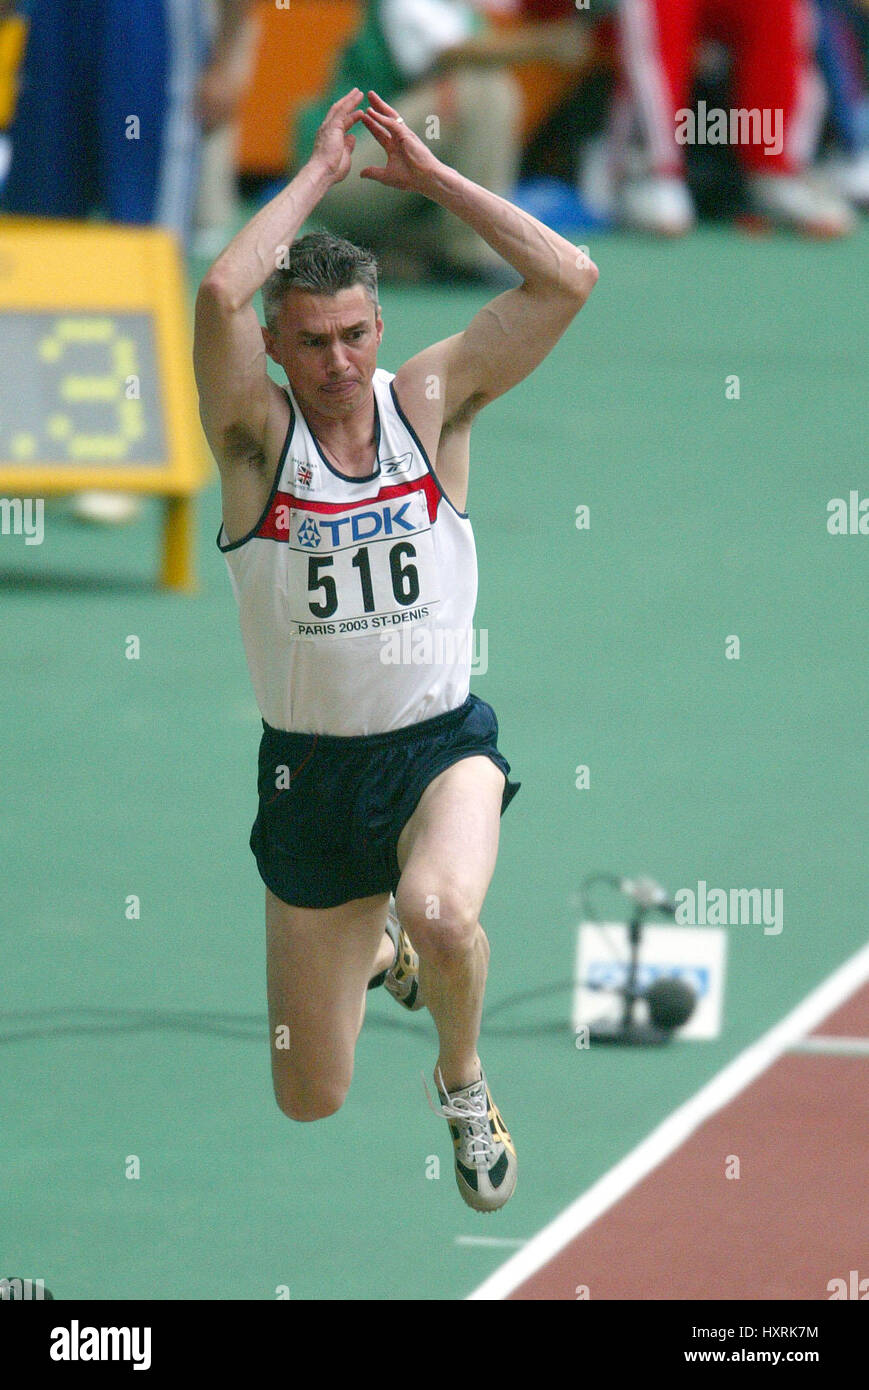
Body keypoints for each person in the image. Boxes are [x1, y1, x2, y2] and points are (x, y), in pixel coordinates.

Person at [193, 87, 598, 1211]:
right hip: (309, 774)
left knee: (440, 908)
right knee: (309, 1093)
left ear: (379, 326)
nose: (336, 360)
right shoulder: (252, 442)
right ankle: (381, 950)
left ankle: (461, 1080)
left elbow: (568, 277)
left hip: (436, 747)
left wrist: (433, 180)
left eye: (356, 333)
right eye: (312, 339)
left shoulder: (427, 401)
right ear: (277, 341)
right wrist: (318, 170)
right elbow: (220, 287)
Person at [292, 0, 589, 282]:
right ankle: (469, 254)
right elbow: (449, 53)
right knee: (483, 89)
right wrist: (547, 43)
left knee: (484, 90)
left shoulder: (464, 12)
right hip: (341, 174)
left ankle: (398, 253)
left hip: (388, 188)